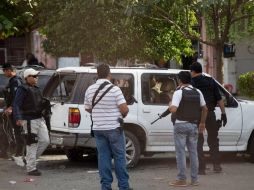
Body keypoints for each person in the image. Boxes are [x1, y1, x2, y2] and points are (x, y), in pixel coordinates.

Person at [84, 63, 132, 190]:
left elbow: (88, 108)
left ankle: (105, 187)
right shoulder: (115, 89)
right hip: (114, 128)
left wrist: (100, 112)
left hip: (98, 129)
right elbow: (124, 109)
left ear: (97, 74)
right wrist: (121, 113)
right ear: (109, 74)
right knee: (119, 157)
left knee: (103, 157)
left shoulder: (90, 89)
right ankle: (123, 186)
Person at [169, 71, 207, 187]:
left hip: (180, 125)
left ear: (180, 80)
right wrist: (202, 123)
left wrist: (170, 102)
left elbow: (173, 109)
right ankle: (194, 180)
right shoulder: (198, 92)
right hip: (194, 125)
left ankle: (181, 179)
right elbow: (205, 109)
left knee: (180, 153)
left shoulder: (178, 92)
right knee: (193, 153)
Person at [190, 62, 227, 174]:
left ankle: (201, 168)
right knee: (213, 140)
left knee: (198, 142)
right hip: (210, 114)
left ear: (193, 71)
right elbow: (219, 99)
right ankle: (216, 165)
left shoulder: (191, 83)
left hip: (197, 116)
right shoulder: (210, 81)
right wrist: (223, 113)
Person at [13, 68, 50, 176]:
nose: (36, 78)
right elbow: (17, 104)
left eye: (36, 76)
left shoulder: (37, 88)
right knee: (32, 143)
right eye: (34, 76)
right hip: (29, 120)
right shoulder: (22, 89)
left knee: (45, 141)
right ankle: (31, 168)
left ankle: (29, 160)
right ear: (27, 77)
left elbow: (39, 103)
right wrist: (18, 117)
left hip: (39, 119)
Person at [1, 63, 25, 165]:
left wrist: (10, 108)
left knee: (19, 133)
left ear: (9, 70)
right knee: (16, 133)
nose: (4, 73)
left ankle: (20, 154)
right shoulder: (12, 81)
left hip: (17, 112)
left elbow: (17, 97)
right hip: (12, 111)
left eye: (5, 70)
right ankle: (18, 153)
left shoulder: (16, 81)